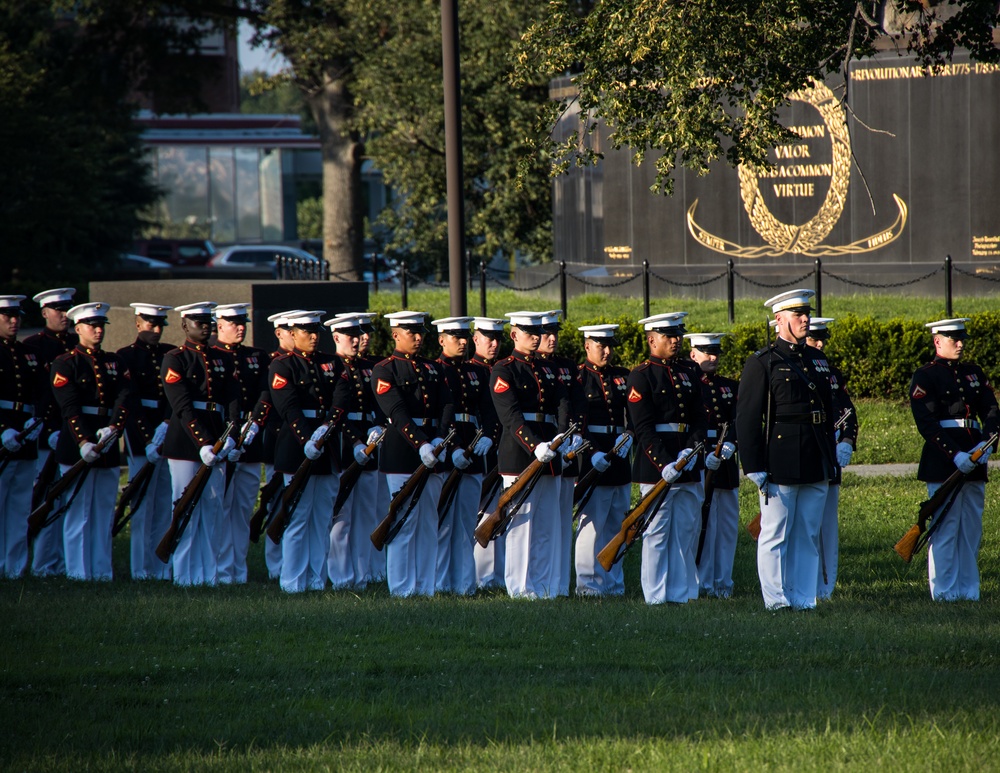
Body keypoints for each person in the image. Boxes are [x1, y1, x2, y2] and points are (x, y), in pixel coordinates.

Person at [737, 289, 837, 611]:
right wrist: (752, 464)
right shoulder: (762, 362)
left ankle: (804, 598)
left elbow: (830, 409)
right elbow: (749, 416)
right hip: (780, 457)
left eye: (806, 313)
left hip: (816, 452)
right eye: (798, 315)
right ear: (779, 320)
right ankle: (777, 601)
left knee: (807, 533)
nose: (805, 318)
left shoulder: (817, 359)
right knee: (775, 533)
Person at [910, 317, 999, 601]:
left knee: (971, 527)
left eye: (962, 338)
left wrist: (988, 440)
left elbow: (991, 408)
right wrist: (955, 454)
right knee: (946, 527)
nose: (960, 343)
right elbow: (927, 422)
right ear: (937, 341)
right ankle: (945, 591)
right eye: (953, 339)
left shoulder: (974, 372)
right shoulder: (925, 375)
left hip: (976, 451)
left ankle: (969, 590)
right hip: (943, 457)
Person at [371, 311, 455, 597]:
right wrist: (422, 445)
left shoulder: (434, 368)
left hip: (434, 449)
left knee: (428, 522)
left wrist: (439, 439)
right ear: (396, 334)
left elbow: (446, 407)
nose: (419, 337)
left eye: (420, 332)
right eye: (411, 332)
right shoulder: (385, 370)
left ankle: (426, 587)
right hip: (403, 454)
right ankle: (402, 588)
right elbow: (397, 413)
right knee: (404, 522)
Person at [626, 312, 707, 604]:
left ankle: (682, 592)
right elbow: (643, 428)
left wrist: (693, 448)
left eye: (678, 336)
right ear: (651, 340)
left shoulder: (689, 371)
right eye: (668, 336)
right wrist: (664, 463)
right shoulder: (641, 375)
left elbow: (700, 417)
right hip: (656, 467)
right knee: (657, 533)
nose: (676, 341)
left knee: (687, 531)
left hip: (687, 459)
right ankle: (656, 596)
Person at [269, 310, 352, 593]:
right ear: (292, 334)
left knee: (321, 520)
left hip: (327, 447)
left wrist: (327, 427)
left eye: (316, 331)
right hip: (296, 448)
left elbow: (342, 398)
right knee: (297, 519)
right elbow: (288, 406)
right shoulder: (282, 366)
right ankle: (292, 582)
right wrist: (307, 437)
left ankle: (316, 580)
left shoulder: (333, 363)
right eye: (307, 332)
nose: (314, 336)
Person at [50, 302, 134, 581]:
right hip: (78, 444)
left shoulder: (114, 362)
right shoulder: (66, 363)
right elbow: (69, 406)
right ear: (78, 329)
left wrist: (114, 428)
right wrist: (83, 441)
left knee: (102, 512)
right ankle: (77, 572)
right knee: (78, 512)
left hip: (106, 440)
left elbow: (123, 398)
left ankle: (101, 571)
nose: (98, 330)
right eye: (92, 326)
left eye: (101, 326)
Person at [490, 311, 571, 599]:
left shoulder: (547, 369)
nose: (536, 337)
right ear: (514, 335)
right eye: (529, 332)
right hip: (520, 456)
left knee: (547, 527)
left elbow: (562, 403)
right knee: (522, 527)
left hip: (551, 454)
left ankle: (544, 587)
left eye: (538, 332)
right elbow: (510, 416)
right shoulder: (505, 369)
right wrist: (535, 445)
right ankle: (521, 588)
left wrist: (561, 437)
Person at [161, 302, 238, 587]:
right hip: (185, 442)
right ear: (184, 325)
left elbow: (231, 399)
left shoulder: (222, 358)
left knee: (213, 508)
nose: (205, 326)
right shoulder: (175, 359)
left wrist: (231, 434)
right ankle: (184, 575)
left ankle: (208, 575)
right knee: (185, 506)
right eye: (198, 321)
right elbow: (182, 406)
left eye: (208, 321)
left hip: (217, 437)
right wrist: (204, 442)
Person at [433, 316, 497, 595]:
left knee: (466, 522)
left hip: (473, 449)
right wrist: (453, 446)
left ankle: (464, 584)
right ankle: (440, 582)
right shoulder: (435, 370)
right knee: (443, 523)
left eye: (463, 337)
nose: (461, 341)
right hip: (448, 450)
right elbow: (438, 416)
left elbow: (490, 412)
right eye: (455, 337)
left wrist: (489, 436)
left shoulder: (477, 372)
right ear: (441, 340)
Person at [324, 313, 383, 590]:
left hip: (369, 445)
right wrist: (356, 440)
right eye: (351, 336)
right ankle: (341, 576)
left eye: (359, 335)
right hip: (344, 447)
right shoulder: (332, 367)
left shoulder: (367, 367)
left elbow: (377, 405)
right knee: (342, 517)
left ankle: (361, 576)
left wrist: (377, 427)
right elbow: (337, 413)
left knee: (366, 516)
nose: (358, 340)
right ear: (336, 338)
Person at [116, 303, 174, 580]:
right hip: (141, 433)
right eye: (151, 324)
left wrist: (166, 423)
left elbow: (174, 396)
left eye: (160, 324)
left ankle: (160, 567)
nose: (156, 329)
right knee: (142, 504)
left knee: (164, 502)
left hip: (167, 428)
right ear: (138, 324)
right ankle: (140, 568)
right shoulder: (126, 356)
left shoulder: (170, 353)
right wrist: (147, 437)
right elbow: (130, 400)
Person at [574, 324, 632, 597]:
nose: (607, 351)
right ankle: (588, 584)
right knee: (592, 525)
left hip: (619, 456)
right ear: (587, 345)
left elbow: (632, 414)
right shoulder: (579, 378)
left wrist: (630, 434)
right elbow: (576, 424)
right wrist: (591, 451)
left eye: (610, 345)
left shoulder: (622, 376)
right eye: (601, 345)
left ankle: (613, 584)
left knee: (616, 524)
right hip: (594, 457)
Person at [212, 303, 269, 585]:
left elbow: (264, 393)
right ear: (219, 325)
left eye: (242, 322)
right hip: (222, 438)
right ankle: (222, 572)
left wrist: (255, 422)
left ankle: (238, 570)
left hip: (250, 440)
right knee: (221, 508)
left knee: (243, 509)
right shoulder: (212, 355)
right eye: (233, 323)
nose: (240, 327)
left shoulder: (256, 356)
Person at [24, 287, 78, 577]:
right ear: (44, 312)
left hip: (73, 432)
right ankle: (44, 563)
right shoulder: (34, 346)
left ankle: (62, 562)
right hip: (46, 432)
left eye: (68, 308)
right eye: (58, 309)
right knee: (43, 497)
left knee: (66, 497)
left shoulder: (74, 343)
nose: (64, 314)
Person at [804, 318, 859, 601]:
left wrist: (847, 441)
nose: (820, 343)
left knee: (827, 527)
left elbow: (847, 411)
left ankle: (825, 585)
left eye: (822, 338)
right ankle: (805, 583)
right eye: (815, 338)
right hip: (806, 456)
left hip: (831, 456)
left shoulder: (832, 374)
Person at [685, 332, 739, 598]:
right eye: (707, 352)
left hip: (726, 462)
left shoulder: (729, 385)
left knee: (727, 526)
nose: (713, 357)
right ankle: (702, 581)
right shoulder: (688, 383)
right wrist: (703, 451)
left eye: (716, 351)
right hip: (702, 458)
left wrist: (732, 442)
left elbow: (741, 418)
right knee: (702, 524)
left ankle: (722, 583)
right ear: (693, 353)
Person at [537, 309, 586, 597]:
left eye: (554, 333)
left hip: (566, 450)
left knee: (560, 522)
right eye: (545, 334)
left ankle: (558, 584)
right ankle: (544, 583)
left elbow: (577, 404)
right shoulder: (532, 368)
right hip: (544, 448)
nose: (552, 338)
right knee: (541, 523)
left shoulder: (567, 366)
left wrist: (576, 434)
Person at [0, 295, 43, 578]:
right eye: (8, 317)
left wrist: (36, 420)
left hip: (25, 433)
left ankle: (14, 567)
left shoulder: (26, 353)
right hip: (4, 433)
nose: (15, 321)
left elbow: (38, 391)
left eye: (17, 317)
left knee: (18, 506)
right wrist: (2, 429)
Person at [470, 316, 507, 589]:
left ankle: (495, 575)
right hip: (476, 448)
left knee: (499, 509)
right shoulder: (471, 371)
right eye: (488, 338)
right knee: (477, 509)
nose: (494, 344)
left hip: (500, 449)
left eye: (497, 339)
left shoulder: (501, 369)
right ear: (476, 339)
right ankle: (480, 573)